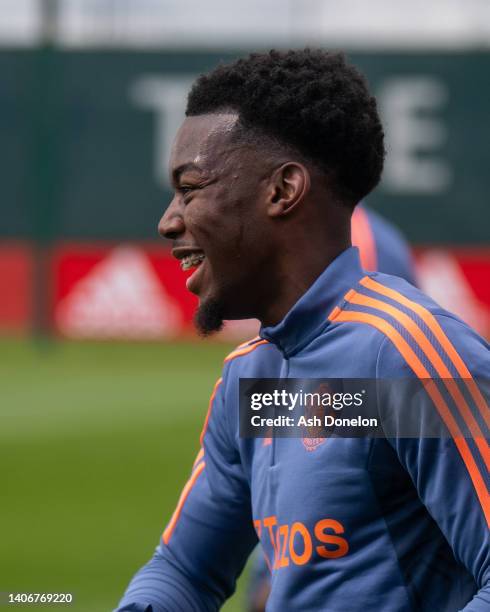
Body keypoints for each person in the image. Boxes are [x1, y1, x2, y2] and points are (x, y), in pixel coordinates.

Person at [116, 49, 489, 611]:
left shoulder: (405, 355)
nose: (168, 221)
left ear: (282, 191)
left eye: (191, 189)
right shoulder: (253, 378)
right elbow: (185, 570)